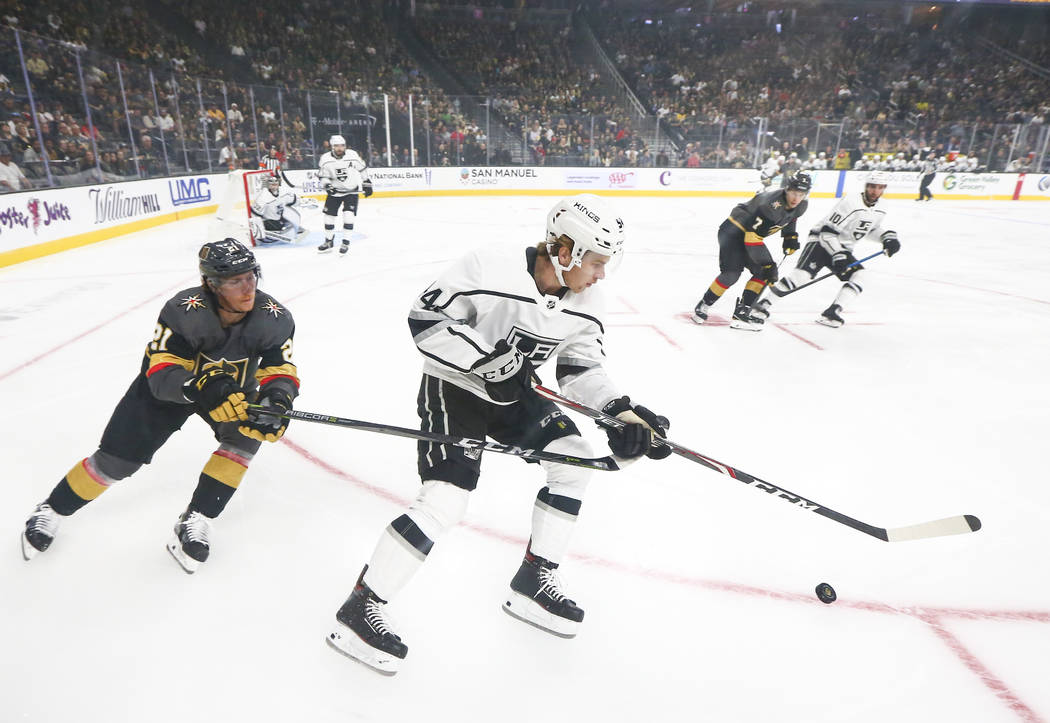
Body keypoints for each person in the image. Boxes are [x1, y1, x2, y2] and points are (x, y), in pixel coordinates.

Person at [325, 193, 671, 674]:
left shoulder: (589, 300)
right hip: (456, 388)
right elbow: (426, 321)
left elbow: (579, 368)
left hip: (515, 396)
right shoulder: (487, 267)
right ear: (565, 249)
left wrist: (620, 413)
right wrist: (485, 362)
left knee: (574, 462)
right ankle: (360, 608)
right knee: (446, 499)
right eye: (596, 261)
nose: (602, 274)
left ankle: (534, 579)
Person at [21, 240, 300, 573]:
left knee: (244, 439)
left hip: (231, 394)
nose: (247, 287)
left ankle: (196, 519)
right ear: (211, 284)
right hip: (168, 392)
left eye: (251, 276)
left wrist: (277, 399)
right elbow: (162, 370)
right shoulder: (184, 311)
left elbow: (279, 368)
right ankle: (52, 509)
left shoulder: (274, 318)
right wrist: (199, 385)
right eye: (234, 280)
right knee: (116, 463)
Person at [754, 171, 901, 328]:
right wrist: (838, 255)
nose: (875, 191)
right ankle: (763, 304)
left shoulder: (882, 207)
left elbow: (869, 229)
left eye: (879, 187)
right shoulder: (851, 202)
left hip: (842, 249)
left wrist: (886, 237)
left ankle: (832, 312)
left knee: (860, 275)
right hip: (820, 242)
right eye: (872, 186)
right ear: (866, 186)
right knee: (801, 276)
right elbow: (827, 232)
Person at [692, 171, 812, 331]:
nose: (796, 198)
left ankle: (742, 311)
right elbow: (752, 238)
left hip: (750, 235)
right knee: (732, 273)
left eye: (801, 194)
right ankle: (704, 304)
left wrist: (790, 237)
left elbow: (792, 217)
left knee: (763, 272)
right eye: (794, 193)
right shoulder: (771, 205)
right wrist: (768, 263)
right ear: (787, 189)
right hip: (733, 231)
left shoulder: (802, 205)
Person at [317, 134, 373, 255]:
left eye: (342, 145)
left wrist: (366, 181)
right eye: (337, 146)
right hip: (335, 192)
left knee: (348, 216)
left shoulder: (352, 155)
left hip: (351, 191)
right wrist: (327, 185)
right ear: (332, 147)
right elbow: (323, 177)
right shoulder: (325, 159)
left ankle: (345, 242)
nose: (340, 148)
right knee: (328, 217)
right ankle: (328, 241)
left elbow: (362, 169)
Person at [250, 174, 306, 244]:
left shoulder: (283, 193)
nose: (274, 185)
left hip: (279, 219)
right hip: (268, 223)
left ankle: (289, 228)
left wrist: (305, 202)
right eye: (271, 183)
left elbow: (294, 199)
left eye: (275, 183)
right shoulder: (263, 198)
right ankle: (273, 233)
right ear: (268, 185)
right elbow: (255, 215)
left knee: (287, 210)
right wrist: (257, 228)